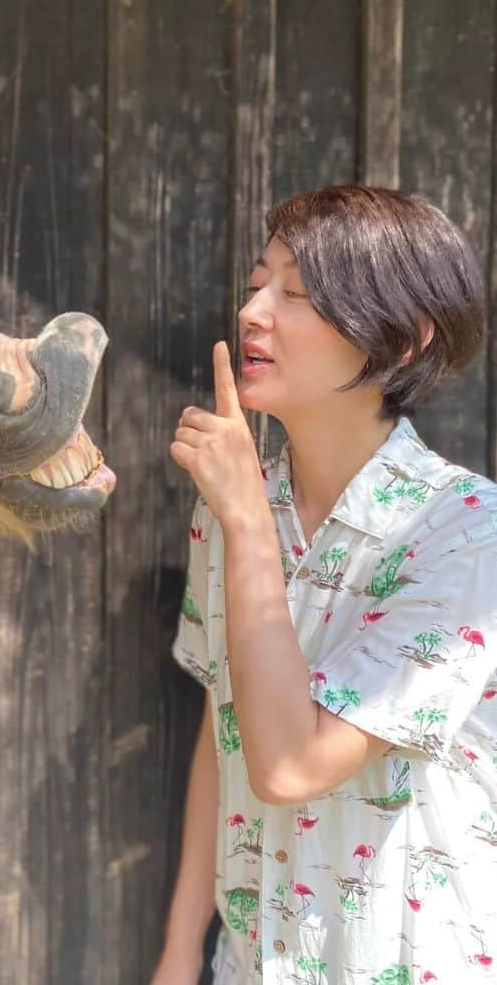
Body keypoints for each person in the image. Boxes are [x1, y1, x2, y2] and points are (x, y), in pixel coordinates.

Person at [155, 186, 497, 984]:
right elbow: (227, 729)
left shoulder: (469, 532)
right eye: (255, 283)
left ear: (402, 341)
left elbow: (291, 765)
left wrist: (243, 524)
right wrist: (180, 955)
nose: (254, 312)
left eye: (297, 294)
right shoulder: (236, 504)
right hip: (255, 964)